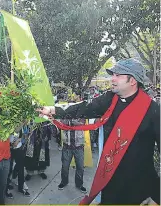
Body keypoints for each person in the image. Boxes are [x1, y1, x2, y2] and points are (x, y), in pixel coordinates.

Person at [38, 59, 160, 205]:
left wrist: (157, 196)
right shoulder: (110, 99)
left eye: (118, 75)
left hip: (139, 189)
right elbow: (84, 108)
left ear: (132, 80)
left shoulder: (153, 111)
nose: (112, 79)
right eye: (112, 74)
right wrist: (53, 110)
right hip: (109, 181)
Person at [57, 118, 87, 193]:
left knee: (80, 167)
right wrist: (73, 122)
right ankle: (64, 182)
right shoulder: (65, 112)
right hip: (67, 146)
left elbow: (83, 122)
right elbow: (61, 123)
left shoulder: (81, 113)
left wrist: (70, 122)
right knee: (65, 166)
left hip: (79, 146)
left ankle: (79, 184)